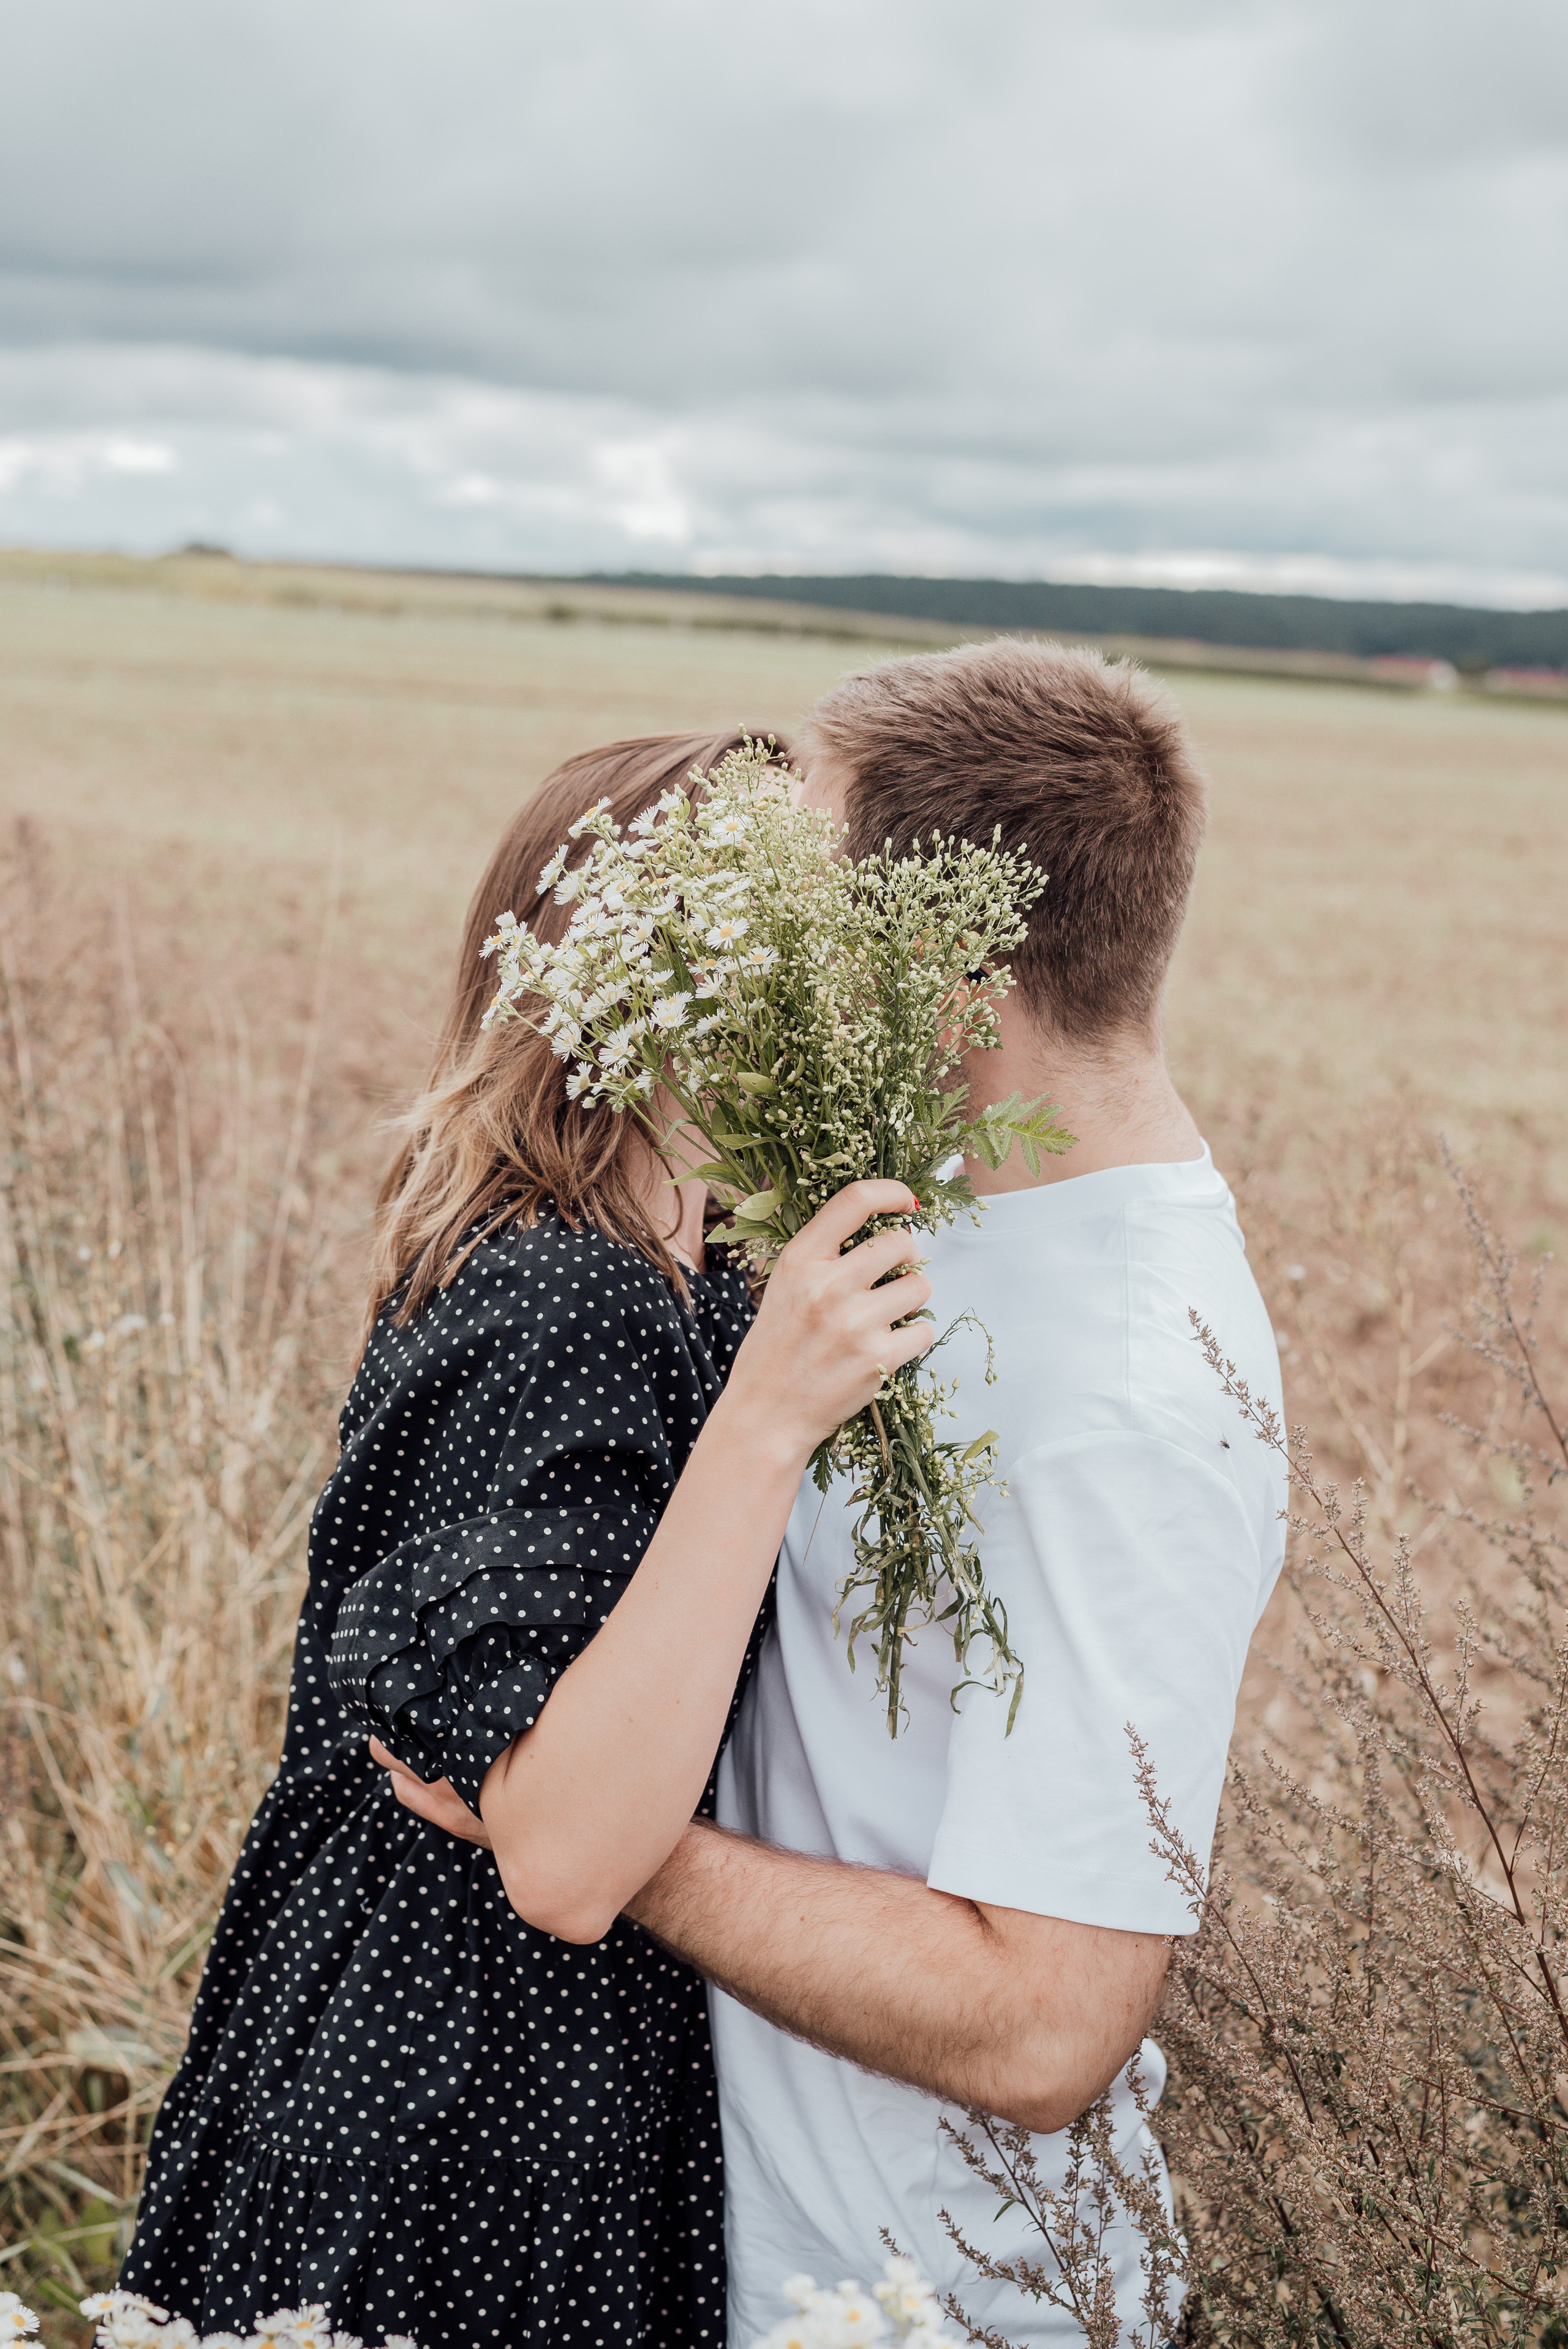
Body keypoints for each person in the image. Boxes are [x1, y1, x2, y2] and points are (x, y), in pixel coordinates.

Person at [385, 640, 1288, 2348]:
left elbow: (1046, 2025)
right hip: (765, 2247)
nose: (766, 950)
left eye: (799, 900)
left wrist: (576, 1829)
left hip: (939, 2299)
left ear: (945, 969)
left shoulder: (1126, 1400)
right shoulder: (938, 1211)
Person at [119, 725, 943, 2349]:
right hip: (462, 2095)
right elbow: (563, 1852)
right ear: (641, 959)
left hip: (512, 2065)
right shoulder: (565, 1293)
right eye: (775, 899)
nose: (833, 941)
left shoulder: (681, 1277)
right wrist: (771, 1417)